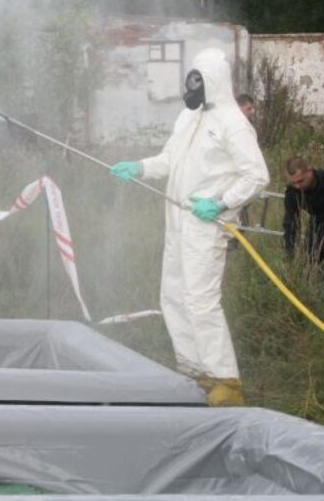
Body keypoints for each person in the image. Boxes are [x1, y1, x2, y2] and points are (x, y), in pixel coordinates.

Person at [110, 48, 268, 407]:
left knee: (201, 301)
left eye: (197, 79)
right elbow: (169, 159)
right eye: (190, 78)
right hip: (177, 221)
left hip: (206, 224)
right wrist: (139, 166)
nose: (191, 85)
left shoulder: (233, 123)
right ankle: (195, 371)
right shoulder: (188, 118)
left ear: (212, 81)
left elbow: (257, 175)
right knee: (173, 296)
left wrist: (222, 203)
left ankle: (226, 380)